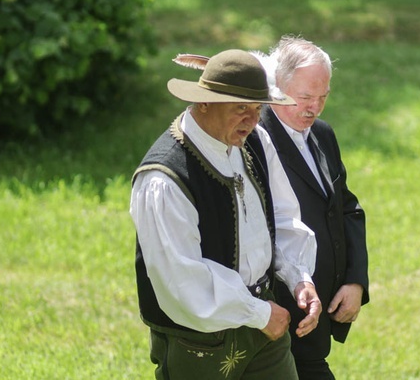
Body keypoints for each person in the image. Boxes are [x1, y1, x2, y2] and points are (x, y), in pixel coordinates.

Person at [130, 49, 322, 380]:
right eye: (240, 109)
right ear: (204, 102)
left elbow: (283, 215)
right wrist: (258, 313)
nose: (252, 119)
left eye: (257, 108)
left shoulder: (256, 141)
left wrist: (299, 277)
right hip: (201, 340)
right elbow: (181, 279)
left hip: (265, 324)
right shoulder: (164, 179)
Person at [256, 36, 369, 380]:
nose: (314, 108)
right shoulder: (254, 138)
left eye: (323, 97)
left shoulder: (322, 134)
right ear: (277, 86)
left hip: (321, 306)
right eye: (305, 97)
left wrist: (355, 280)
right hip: (281, 310)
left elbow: (346, 208)